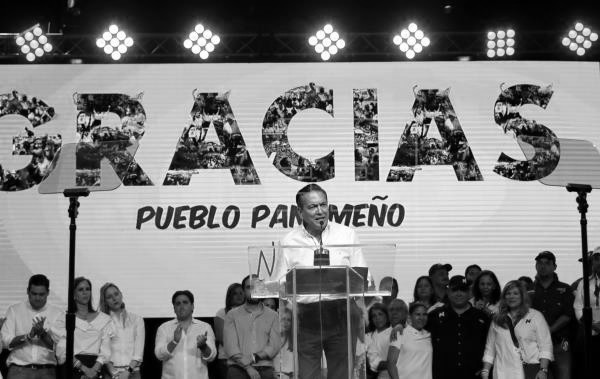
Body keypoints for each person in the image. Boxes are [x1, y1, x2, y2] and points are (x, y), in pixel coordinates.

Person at [272, 184, 370, 379]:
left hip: (341, 313)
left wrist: (354, 282)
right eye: (312, 207)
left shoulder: (346, 235)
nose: (320, 211)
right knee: (307, 375)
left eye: (323, 205)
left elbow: (364, 278)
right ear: (300, 211)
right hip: (306, 317)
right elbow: (281, 283)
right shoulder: (289, 241)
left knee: (342, 374)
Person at [481, 280, 553, 379]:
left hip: (529, 372)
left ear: (522, 296)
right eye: (508, 294)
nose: (511, 297)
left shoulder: (535, 316)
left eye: (515, 293)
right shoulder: (497, 320)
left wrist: (543, 370)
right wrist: (485, 371)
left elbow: (545, 345)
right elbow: (490, 348)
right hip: (502, 372)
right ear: (504, 297)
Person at [427, 275, 490, 379]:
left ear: (469, 292)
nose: (459, 293)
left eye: (463, 290)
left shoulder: (482, 317)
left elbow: (491, 348)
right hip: (442, 375)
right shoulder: (433, 316)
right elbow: (416, 335)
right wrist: (400, 326)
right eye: (455, 290)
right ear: (448, 292)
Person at [0, 274, 63, 379]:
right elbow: (6, 341)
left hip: (47, 371)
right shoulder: (14, 310)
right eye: (34, 294)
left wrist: (42, 334)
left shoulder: (57, 313)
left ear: (48, 293)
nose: (37, 298)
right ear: (27, 291)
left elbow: (60, 348)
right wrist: (29, 336)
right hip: (18, 370)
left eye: (41, 294)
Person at [54, 277, 114, 379]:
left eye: (87, 289)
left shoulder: (104, 319)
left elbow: (105, 350)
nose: (85, 292)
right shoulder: (65, 318)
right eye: (80, 289)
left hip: (96, 367)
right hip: (72, 367)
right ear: (73, 294)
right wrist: (84, 369)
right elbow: (62, 349)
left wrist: (94, 370)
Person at [224, 275, 280, 379]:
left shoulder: (273, 315)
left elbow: (274, 346)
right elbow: (230, 346)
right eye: (249, 287)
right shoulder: (232, 315)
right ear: (244, 291)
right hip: (237, 367)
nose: (253, 291)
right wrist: (247, 367)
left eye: (257, 287)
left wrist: (253, 358)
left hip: (264, 367)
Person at [529, 251, 574, 379]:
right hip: (534, 346)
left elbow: (568, 315)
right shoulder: (528, 289)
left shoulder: (565, 289)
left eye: (547, 263)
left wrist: (548, 330)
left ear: (555, 267)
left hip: (559, 344)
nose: (543, 266)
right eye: (539, 263)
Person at [155, 290, 216, 379]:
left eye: (185, 302)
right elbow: (159, 355)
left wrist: (203, 346)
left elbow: (211, 357)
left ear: (192, 306)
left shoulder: (205, 327)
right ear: (174, 308)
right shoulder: (164, 328)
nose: (181, 306)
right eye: (178, 303)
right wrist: (174, 342)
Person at [98, 283, 145, 379]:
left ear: (121, 294)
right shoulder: (102, 321)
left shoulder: (137, 319)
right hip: (110, 373)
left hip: (133, 372)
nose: (114, 298)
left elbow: (138, 351)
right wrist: (114, 373)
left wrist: (128, 371)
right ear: (105, 301)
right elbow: (102, 350)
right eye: (109, 297)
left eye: (116, 294)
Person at [387, 302, 432, 379]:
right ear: (409, 317)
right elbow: (391, 364)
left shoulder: (429, 335)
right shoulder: (400, 333)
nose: (421, 317)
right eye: (417, 314)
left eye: (424, 314)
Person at [573, 247, 600, 369]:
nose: (599, 262)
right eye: (596, 259)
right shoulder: (583, 283)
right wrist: (591, 324)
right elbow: (578, 307)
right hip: (590, 334)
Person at [215, 283, 245, 379]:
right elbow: (221, 338)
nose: (239, 296)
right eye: (235, 293)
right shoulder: (222, 313)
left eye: (241, 293)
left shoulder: (251, 313)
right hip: (226, 359)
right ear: (230, 296)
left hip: (248, 360)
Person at [366, 303, 391, 379]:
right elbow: (373, 363)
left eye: (380, 314)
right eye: (374, 316)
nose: (378, 318)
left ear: (386, 316)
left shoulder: (395, 331)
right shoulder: (368, 337)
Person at [273, 308, 294, 379]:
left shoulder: (293, 339)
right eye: (283, 319)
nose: (285, 322)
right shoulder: (272, 338)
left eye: (289, 320)